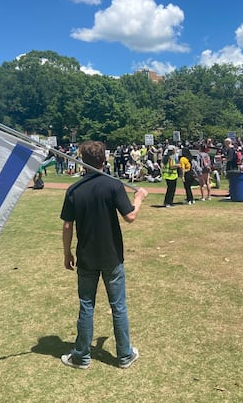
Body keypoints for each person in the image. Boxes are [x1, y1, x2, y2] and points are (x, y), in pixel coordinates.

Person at [59, 141, 148, 370]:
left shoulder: (75, 190)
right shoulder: (112, 185)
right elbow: (130, 217)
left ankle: (82, 356)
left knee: (87, 305)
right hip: (111, 257)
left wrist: (66, 252)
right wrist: (139, 199)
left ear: (82, 161)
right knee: (118, 305)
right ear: (103, 160)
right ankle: (124, 355)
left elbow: (67, 227)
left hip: (88, 257)